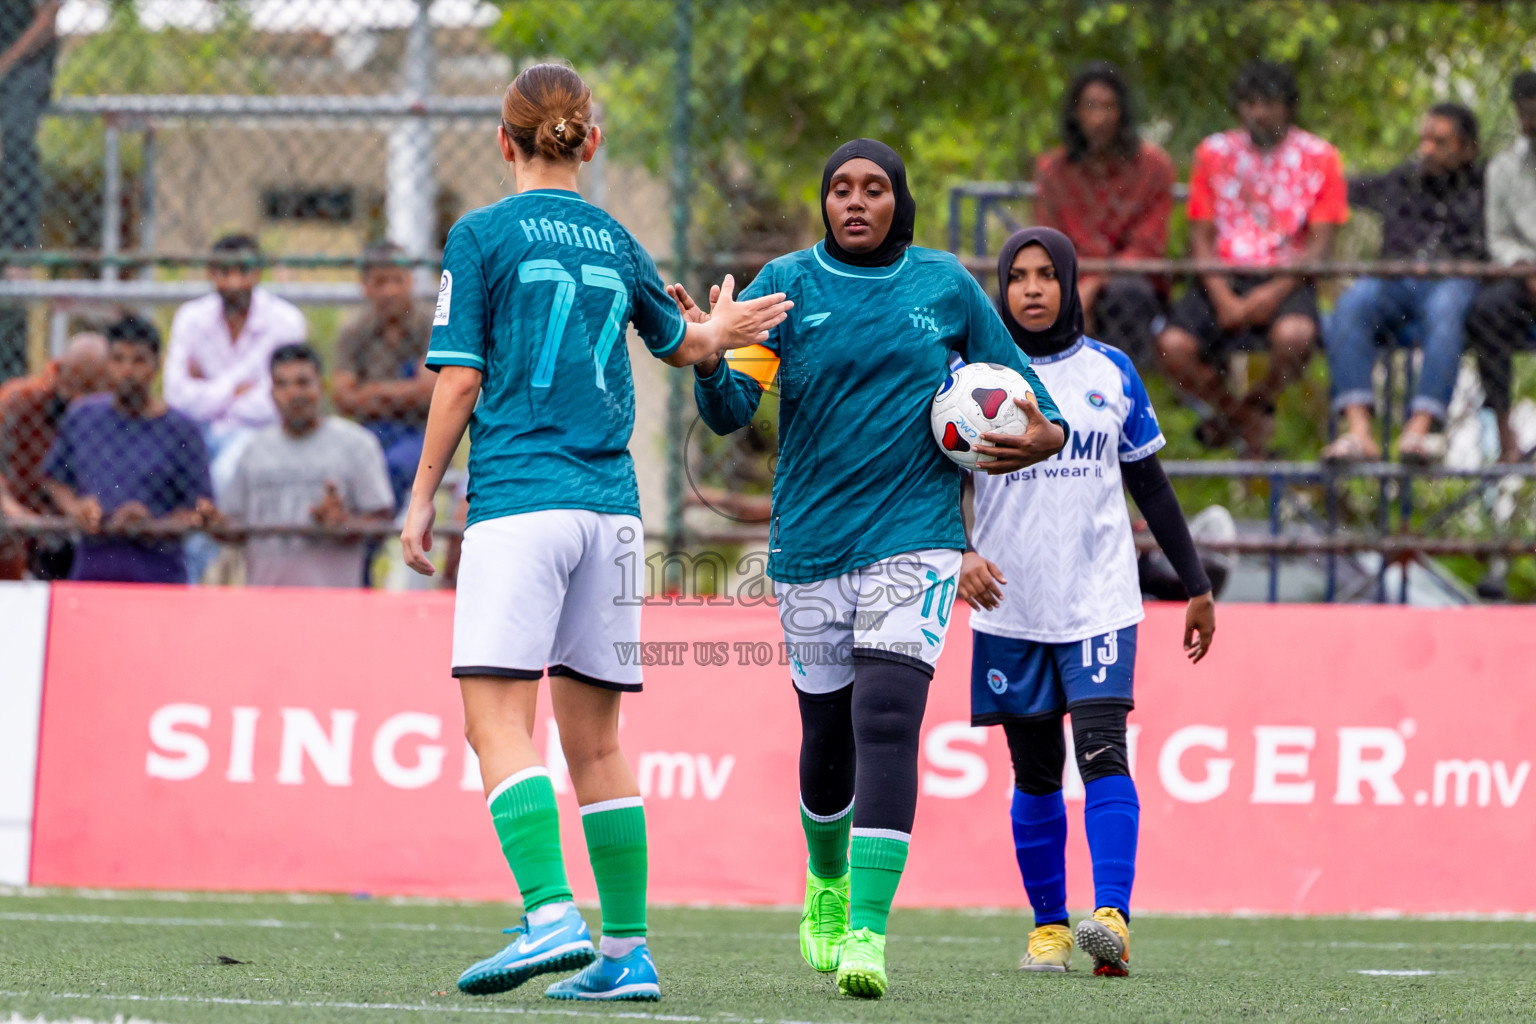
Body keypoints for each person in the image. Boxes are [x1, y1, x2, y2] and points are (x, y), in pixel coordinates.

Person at [399, 64, 792, 1003]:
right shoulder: (617, 241)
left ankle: (547, 914)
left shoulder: (481, 234)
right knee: (598, 741)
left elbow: (458, 380)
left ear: (505, 141)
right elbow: (693, 348)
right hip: (612, 514)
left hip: (522, 503)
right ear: (592, 141)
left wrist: (419, 497)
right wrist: (728, 326)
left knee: (494, 719)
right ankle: (627, 951)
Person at [682, 138, 1069, 1000]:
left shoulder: (946, 287)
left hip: (918, 538)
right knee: (827, 738)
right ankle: (824, 880)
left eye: (874, 189)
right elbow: (729, 412)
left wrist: (1040, 437)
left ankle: (867, 930)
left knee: (887, 721)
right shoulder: (784, 286)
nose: (856, 202)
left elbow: (1033, 406)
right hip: (811, 545)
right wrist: (712, 355)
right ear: (824, 201)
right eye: (841, 190)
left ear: (901, 201)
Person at [962, 227, 1215, 976]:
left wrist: (1196, 584)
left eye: (1047, 275)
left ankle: (1110, 919)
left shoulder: (1111, 371)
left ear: (1070, 285)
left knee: (1104, 751)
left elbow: (1151, 484)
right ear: (1001, 288)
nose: (1033, 289)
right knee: (1036, 773)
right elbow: (936, 479)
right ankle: (1048, 928)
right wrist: (960, 552)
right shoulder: (972, 380)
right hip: (1010, 603)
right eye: (1018, 277)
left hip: (1100, 598)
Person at [1156, 61, 1348, 456]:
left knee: (1295, 338)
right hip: (1221, 276)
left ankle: (1245, 412)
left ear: (1289, 107)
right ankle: (1242, 417)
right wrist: (1222, 295)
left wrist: (1274, 292)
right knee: (1171, 346)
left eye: (1267, 103)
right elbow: (1201, 235)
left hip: (1288, 276)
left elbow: (1319, 244)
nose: (1256, 113)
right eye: (1248, 103)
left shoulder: (1321, 157)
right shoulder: (1213, 153)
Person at [1323, 104, 1484, 464]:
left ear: (1467, 148)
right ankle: (1359, 433)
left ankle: (1419, 430)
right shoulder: (1404, 180)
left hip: (1450, 280)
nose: (1427, 149)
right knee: (1351, 304)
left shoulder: (1483, 186)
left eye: (1440, 142)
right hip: (1393, 281)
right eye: (1424, 139)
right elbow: (1350, 189)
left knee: (1447, 312)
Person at [42, 316, 213, 584]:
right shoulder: (83, 417)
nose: (128, 370)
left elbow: (199, 510)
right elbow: (54, 480)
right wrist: (78, 509)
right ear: (107, 364)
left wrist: (153, 524)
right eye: (118, 359)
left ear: (156, 365)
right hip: (92, 572)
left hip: (159, 578)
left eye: (138, 360)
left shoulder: (182, 430)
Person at [217, 344, 393, 588]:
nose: (293, 393)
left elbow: (382, 521)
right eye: (283, 384)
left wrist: (341, 524)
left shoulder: (357, 444)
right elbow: (234, 524)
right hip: (264, 605)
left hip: (333, 607)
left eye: (303, 382)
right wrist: (213, 525)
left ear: (321, 387)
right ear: (271, 393)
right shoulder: (254, 449)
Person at [1035, 61, 1174, 368]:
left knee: (1125, 294)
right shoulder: (1054, 171)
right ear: (1076, 113)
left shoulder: (1153, 167)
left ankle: (1124, 396)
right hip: (1069, 278)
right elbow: (1047, 243)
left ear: (1122, 113)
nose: (1100, 118)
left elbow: (1148, 246)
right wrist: (1076, 283)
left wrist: (1095, 282)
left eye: (1109, 107)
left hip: (1130, 282)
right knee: (1025, 297)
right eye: (1091, 107)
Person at [332, 242, 435, 509]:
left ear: (410, 281)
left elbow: (430, 393)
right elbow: (343, 398)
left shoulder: (429, 325)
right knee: (337, 472)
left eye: (397, 281)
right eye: (380, 282)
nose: (390, 290)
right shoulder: (354, 330)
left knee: (394, 466)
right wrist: (405, 392)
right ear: (365, 286)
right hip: (368, 431)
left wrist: (371, 391)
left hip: (421, 431)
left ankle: (375, 537)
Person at [1467, 70, 1536, 464]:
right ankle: (1506, 433)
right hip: (1522, 275)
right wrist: (1524, 269)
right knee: (1487, 311)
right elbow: (1499, 238)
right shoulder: (1505, 168)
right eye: (1525, 113)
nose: (1530, 121)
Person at [0, 332, 108, 578]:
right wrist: (11, 508)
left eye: (87, 389)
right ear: (59, 370)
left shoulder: (107, 414)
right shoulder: (20, 400)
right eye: (71, 383)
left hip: (75, 530)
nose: (73, 396)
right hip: (19, 521)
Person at [0, 0, 60, 382]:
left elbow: (48, 19)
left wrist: (4, 66)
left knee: (15, 137)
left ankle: (19, 251)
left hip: (25, 62)